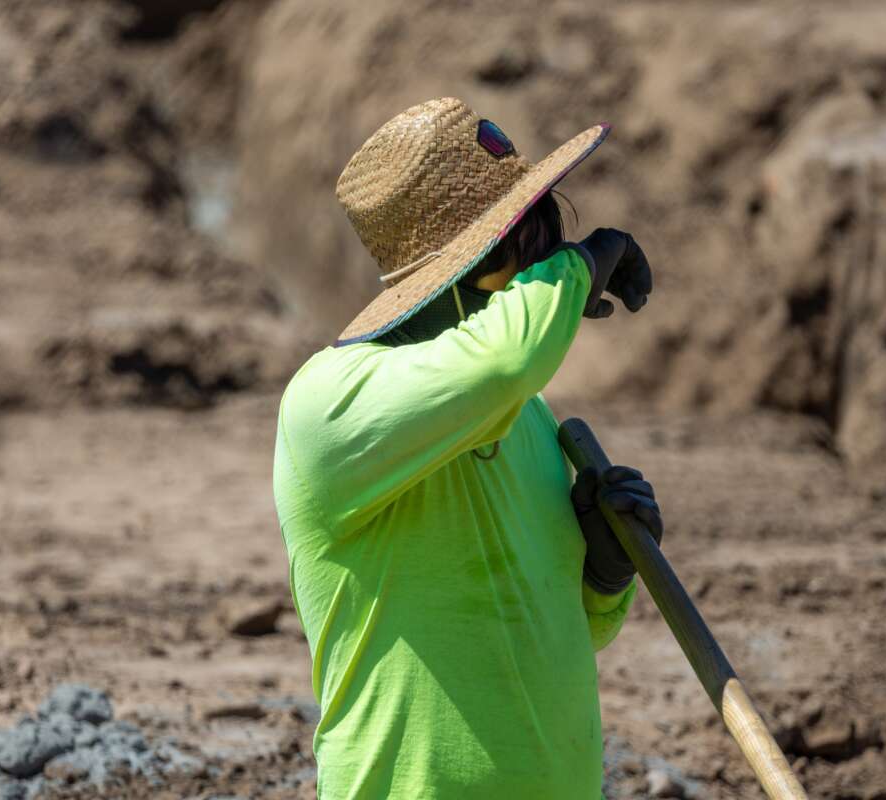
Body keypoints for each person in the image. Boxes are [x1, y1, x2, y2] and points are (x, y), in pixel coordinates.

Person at [273, 97, 665, 799]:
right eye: (530, 247)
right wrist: (582, 266)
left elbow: (541, 632)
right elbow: (504, 360)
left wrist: (602, 580)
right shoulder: (328, 403)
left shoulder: (524, 418)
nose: (542, 266)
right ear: (467, 268)